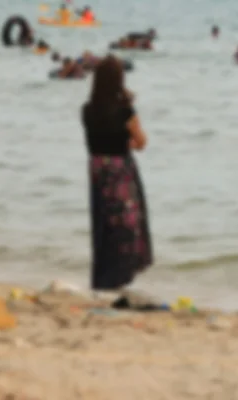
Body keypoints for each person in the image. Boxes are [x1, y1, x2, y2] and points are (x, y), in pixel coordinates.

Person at [81, 55, 153, 291]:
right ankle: (121, 277)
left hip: (98, 170)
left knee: (104, 225)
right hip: (120, 171)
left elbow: (96, 140)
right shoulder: (125, 111)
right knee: (127, 226)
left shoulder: (87, 110)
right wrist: (126, 144)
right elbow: (141, 142)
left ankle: (104, 277)